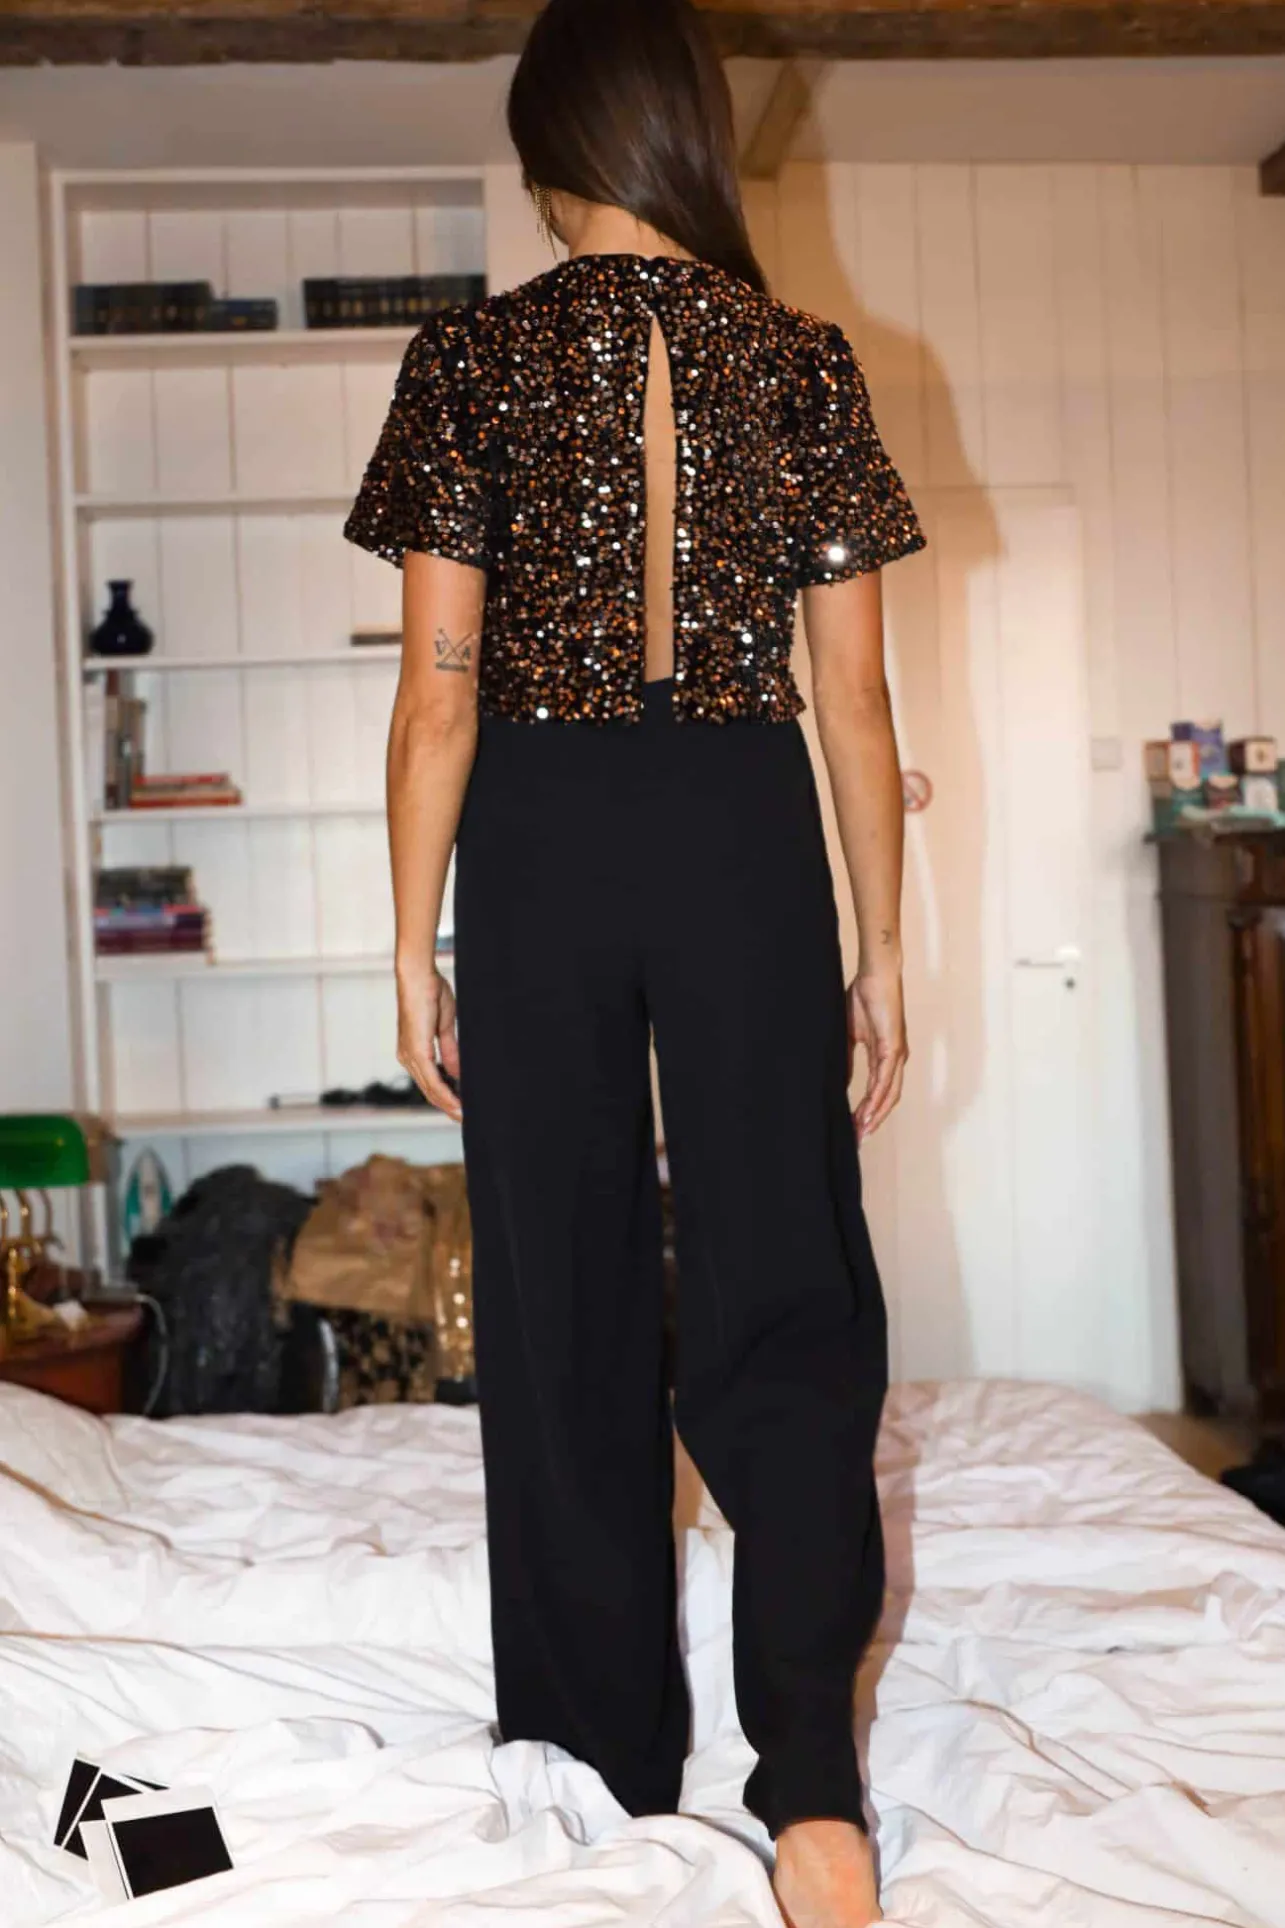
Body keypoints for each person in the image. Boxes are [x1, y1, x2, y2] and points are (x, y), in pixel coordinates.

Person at [344, 2, 924, 1921]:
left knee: (564, 1289)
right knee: (789, 1287)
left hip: (541, 836)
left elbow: (438, 701)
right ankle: (813, 1785)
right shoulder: (802, 360)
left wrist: (411, 941)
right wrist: (883, 947)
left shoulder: (470, 357)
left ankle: (601, 1757)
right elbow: (857, 702)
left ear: (547, 148)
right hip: (745, 824)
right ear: (689, 134)